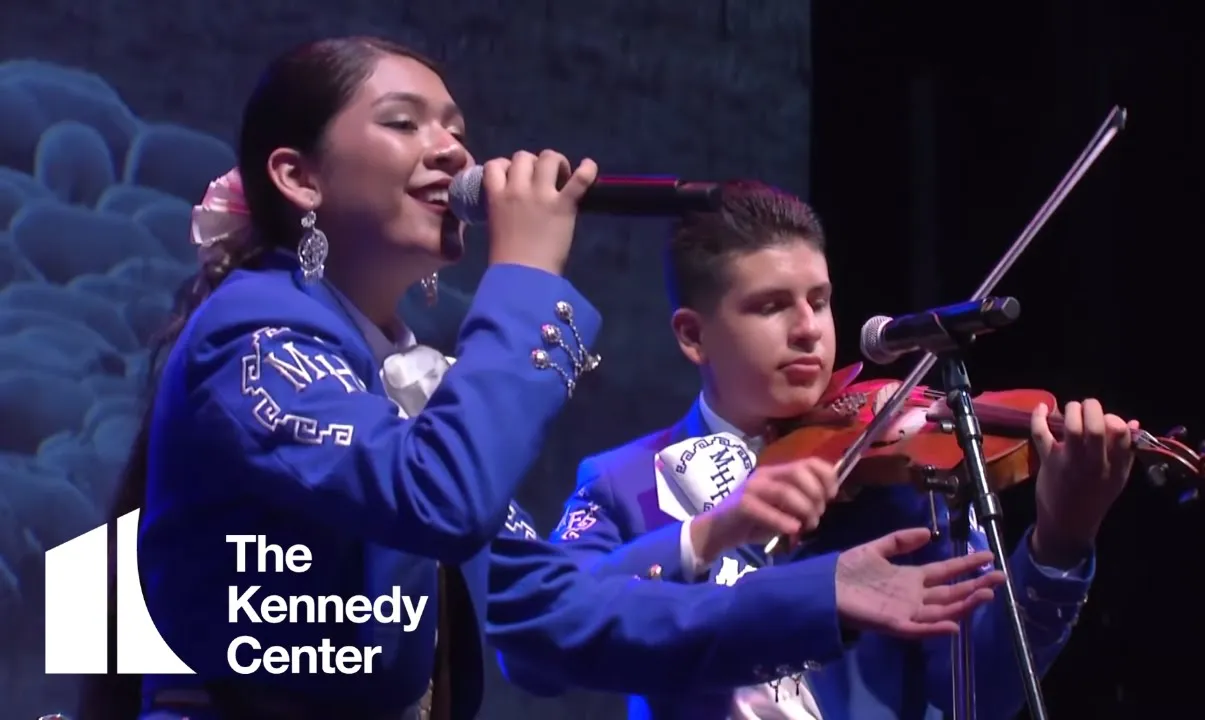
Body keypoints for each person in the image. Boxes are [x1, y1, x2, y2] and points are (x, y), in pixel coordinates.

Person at [73, 38, 1005, 720]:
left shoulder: (408, 377)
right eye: (405, 124)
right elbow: (435, 498)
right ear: (298, 177)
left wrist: (819, 593)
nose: (453, 152)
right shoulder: (253, 333)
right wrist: (524, 276)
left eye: (457, 129)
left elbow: (546, 608)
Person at [519, 181, 1139, 719]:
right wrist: (707, 534)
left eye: (819, 300)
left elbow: (981, 688)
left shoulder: (905, 478)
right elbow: (535, 646)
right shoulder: (626, 483)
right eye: (770, 307)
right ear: (693, 335)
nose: (809, 329)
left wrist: (1060, 541)